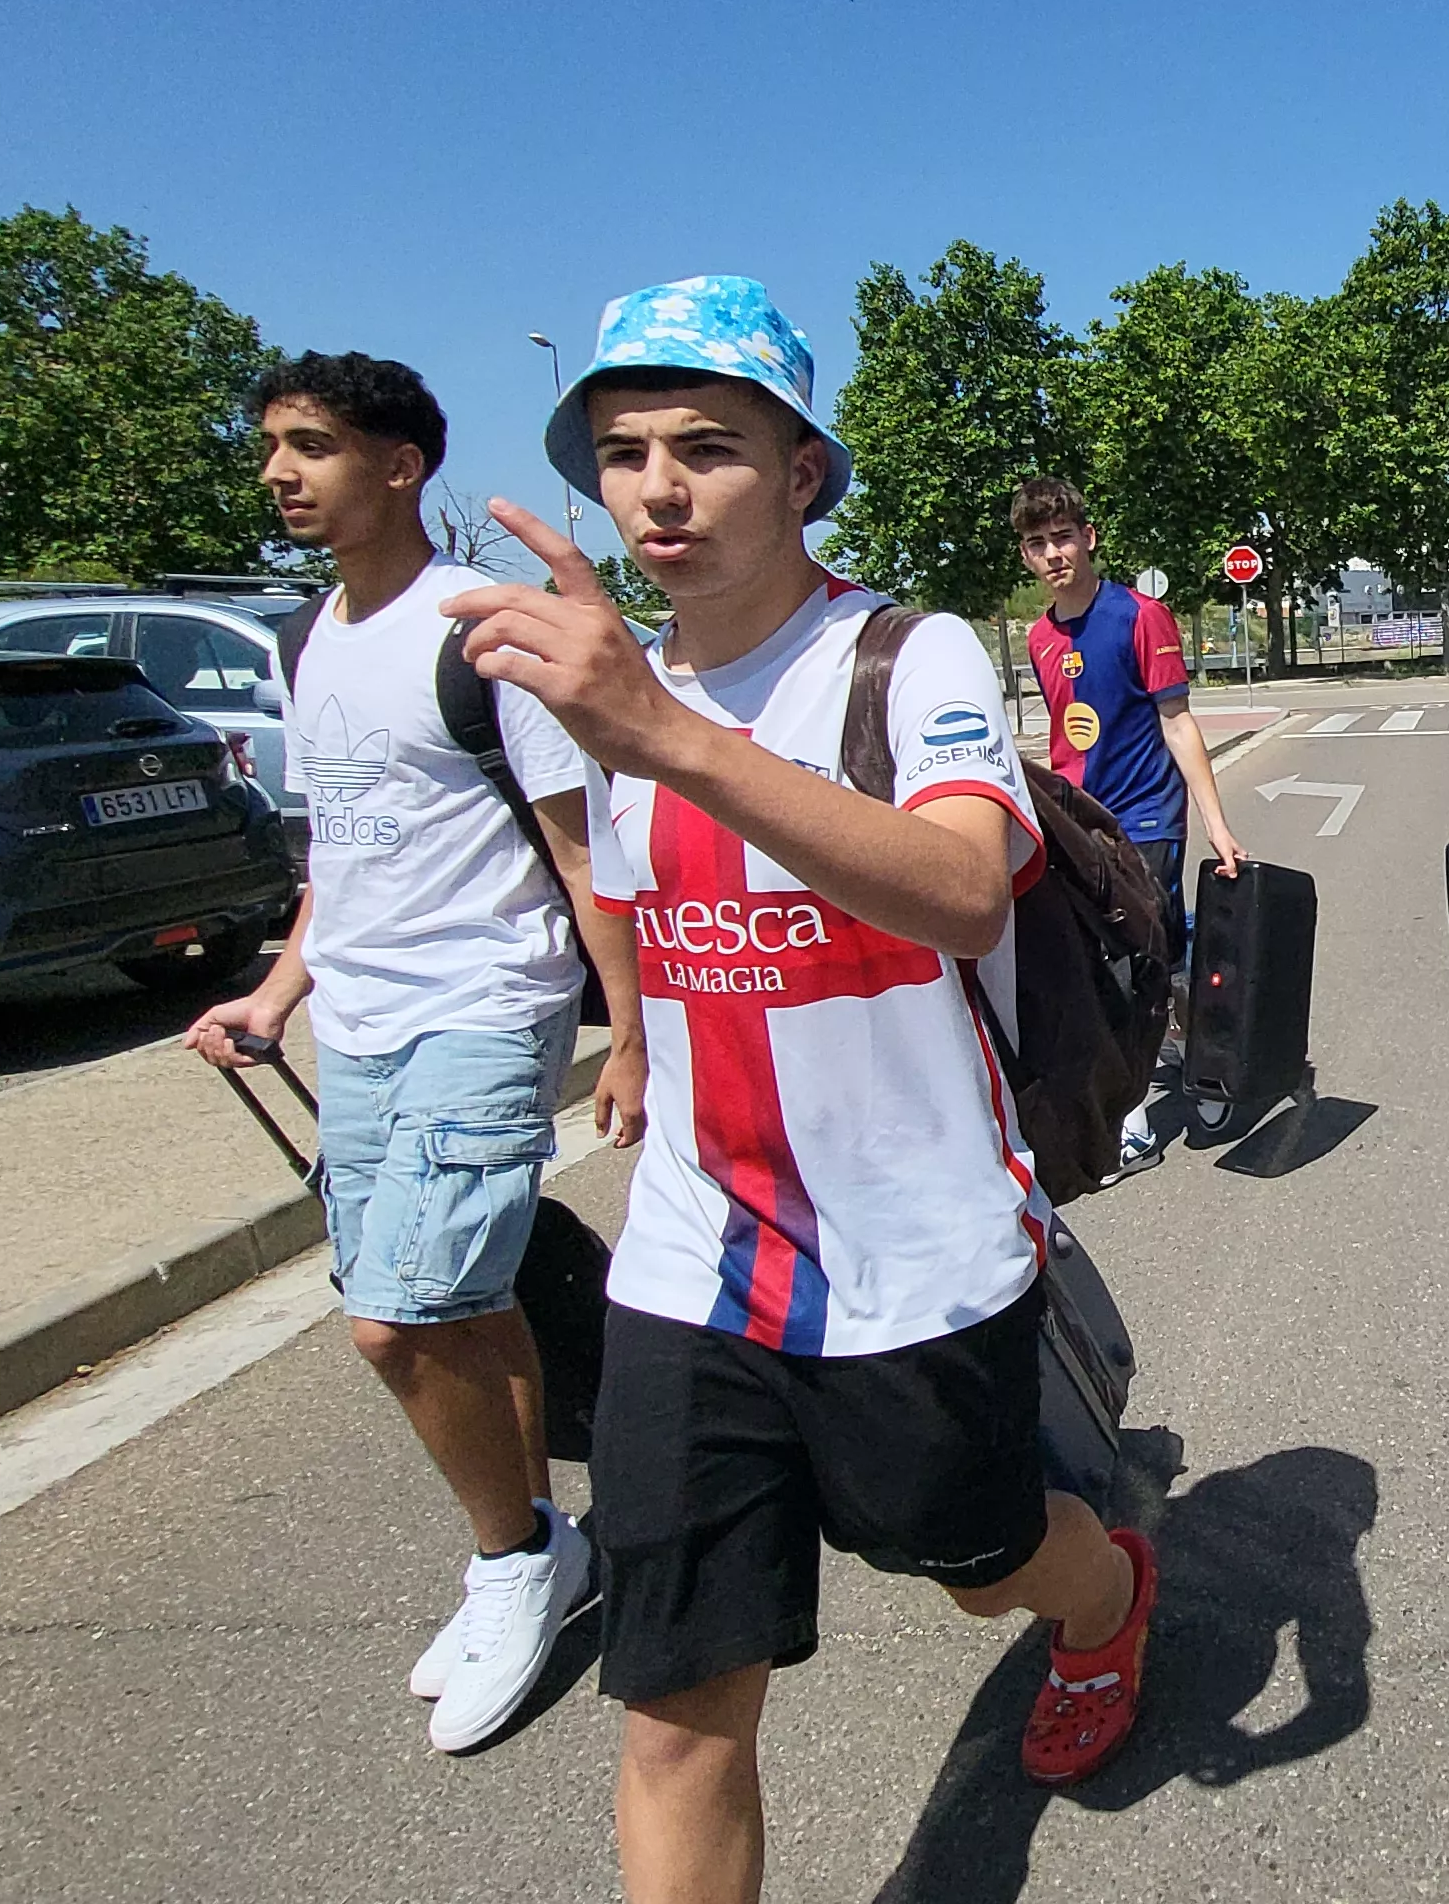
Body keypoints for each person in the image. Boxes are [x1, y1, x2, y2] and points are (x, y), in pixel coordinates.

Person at [441, 277, 1158, 1904]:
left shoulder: (904, 660)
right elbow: (635, 900)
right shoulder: (613, 692)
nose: (660, 487)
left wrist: (664, 735)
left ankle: (1106, 1593)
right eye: (625, 452)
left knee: (976, 1565)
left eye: (710, 445)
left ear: (804, 470)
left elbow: (966, 887)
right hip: (698, 1258)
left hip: (918, 1248)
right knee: (679, 1721)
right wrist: (635, 1027)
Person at [180, 351, 642, 1754]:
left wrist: (633, 1034)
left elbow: (581, 849)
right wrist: (275, 993)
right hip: (363, 1027)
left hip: (487, 1006)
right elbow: (344, 853)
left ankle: (514, 1561)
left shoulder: (478, 631)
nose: (280, 471)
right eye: (272, 444)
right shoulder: (309, 637)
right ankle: (538, 1546)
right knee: (458, 1306)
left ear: (401, 465)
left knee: (397, 1316)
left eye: (311, 445)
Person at [1011, 476, 1244, 1152]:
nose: (1054, 553)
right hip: (1079, 818)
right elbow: (1066, 733)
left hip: (1146, 816)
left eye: (1062, 537)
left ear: (1089, 538)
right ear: (1026, 556)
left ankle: (1136, 1111)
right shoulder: (1039, 638)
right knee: (1134, 950)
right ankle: (1189, 1035)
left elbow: (1177, 724)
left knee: (1126, 954)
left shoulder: (1141, 615)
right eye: (1037, 543)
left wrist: (1217, 824)